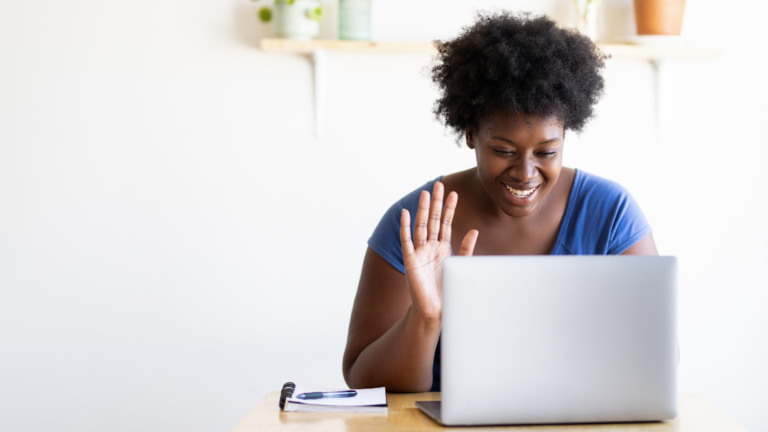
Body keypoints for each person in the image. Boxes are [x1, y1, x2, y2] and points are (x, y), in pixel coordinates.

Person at [342, 11, 658, 393]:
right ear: (470, 134)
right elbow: (364, 380)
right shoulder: (415, 224)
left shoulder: (610, 214)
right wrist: (426, 317)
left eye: (547, 151)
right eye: (504, 150)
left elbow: (654, 361)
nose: (526, 172)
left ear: (565, 135)